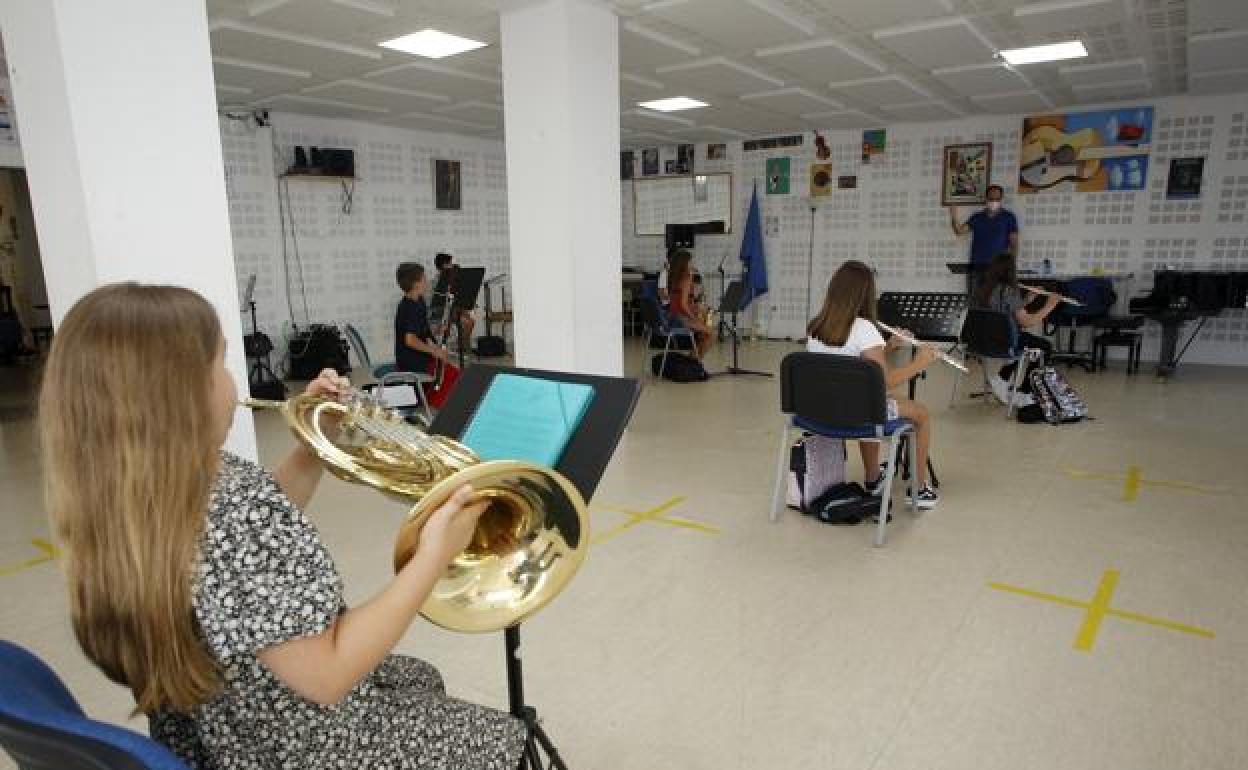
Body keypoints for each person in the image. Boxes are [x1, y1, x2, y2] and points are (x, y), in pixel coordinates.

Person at [38, 283, 525, 769]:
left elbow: (247, 550)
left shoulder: (157, 487)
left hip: (223, 722)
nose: (233, 384)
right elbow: (327, 674)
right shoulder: (234, 505)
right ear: (181, 393)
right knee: (502, 738)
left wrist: (314, 444)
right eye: (221, 365)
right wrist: (434, 556)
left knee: (418, 677)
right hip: (303, 746)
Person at [806, 261, 940, 509]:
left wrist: (888, 346)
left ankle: (872, 479)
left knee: (870, 400)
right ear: (865, 294)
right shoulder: (864, 328)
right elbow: (884, 383)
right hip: (858, 412)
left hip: (823, 411)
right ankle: (919, 490)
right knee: (920, 413)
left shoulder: (816, 326)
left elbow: (855, 364)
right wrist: (920, 362)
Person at [973, 250, 1060, 385]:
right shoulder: (1009, 291)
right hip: (1004, 342)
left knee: (1023, 341)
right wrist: (1049, 306)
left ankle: (1001, 380)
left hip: (983, 341)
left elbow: (1002, 311)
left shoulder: (983, 289)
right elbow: (1026, 322)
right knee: (1044, 347)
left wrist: (1025, 301)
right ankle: (1024, 392)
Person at [950, 184, 1019, 294]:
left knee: (997, 303)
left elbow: (1014, 244)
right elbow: (959, 231)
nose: (994, 201)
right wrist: (953, 215)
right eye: (991, 198)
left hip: (998, 269)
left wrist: (1011, 265)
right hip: (977, 268)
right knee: (975, 302)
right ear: (986, 199)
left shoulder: (1008, 217)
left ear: (1001, 199)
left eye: (997, 199)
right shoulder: (977, 217)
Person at [395, 261, 449, 375]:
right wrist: (435, 351)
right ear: (416, 284)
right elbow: (410, 340)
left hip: (420, 358)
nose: (427, 281)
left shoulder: (419, 301)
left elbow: (421, 331)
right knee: (451, 376)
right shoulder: (410, 308)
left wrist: (437, 330)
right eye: (424, 278)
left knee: (449, 370)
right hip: (413, 364)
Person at [666, 249, 714, 359]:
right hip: (681, 319)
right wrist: (693, 317)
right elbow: (683, 304)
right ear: (684, 263)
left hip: (672, 316)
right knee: (711, 334)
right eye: (690, 261)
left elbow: (677, 301)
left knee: (704, 332)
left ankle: (692, 360)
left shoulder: (673, 277)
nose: (692, 263)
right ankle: (695, 362)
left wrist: (695, 307)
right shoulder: (686, 277)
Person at [433, 251, 476, 343]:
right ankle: (456, 345)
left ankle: (463, 345)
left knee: (471, 318)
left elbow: (461, 295)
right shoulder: (435, 281)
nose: (452, 265)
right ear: (443, 265)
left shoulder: (455, 278)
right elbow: (436, 302)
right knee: (466, 321)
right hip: (440, 311)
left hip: (453, 310)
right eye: (449, 263)